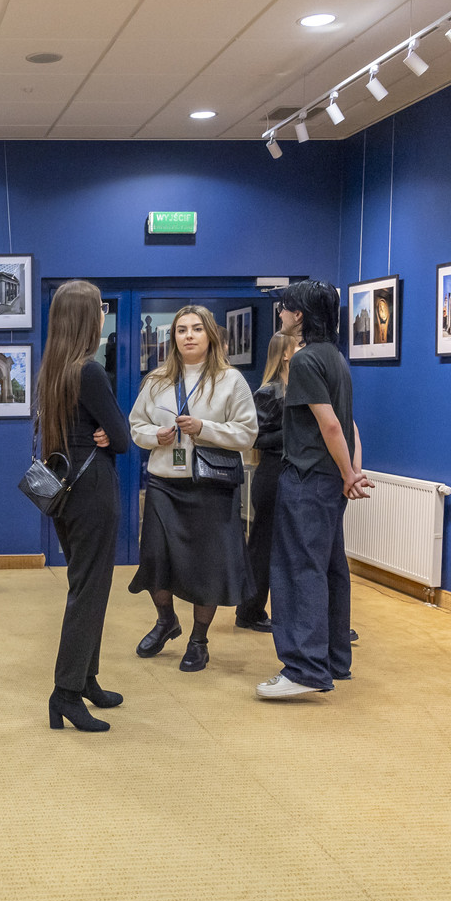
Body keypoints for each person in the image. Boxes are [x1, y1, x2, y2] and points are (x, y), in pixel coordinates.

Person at [258, 280, 374, 700]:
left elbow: (330, 425)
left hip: (308, 479)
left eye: (285, 308)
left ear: (300, 315)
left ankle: (305, 669)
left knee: (299, 570)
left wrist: (349, 474)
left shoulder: (306, 360)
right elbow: (349, 425)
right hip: (328, 481)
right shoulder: (335, 358)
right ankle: (334, 659)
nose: (281, 314)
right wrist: (350, 471)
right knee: (330, 568)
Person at [128, 305, 259, 672]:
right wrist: (155, 435)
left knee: (207, 568)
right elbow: (136, 425)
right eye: (181, 329)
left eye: (197, 329)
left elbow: (248, 433)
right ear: (173, 337)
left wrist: (204, 428)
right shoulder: (156, 380)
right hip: (164, 485)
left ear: (210, 335)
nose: (188, 335)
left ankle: (199, 640)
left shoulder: (231, 380)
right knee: (155, 560)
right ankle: (166, 620)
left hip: (210, 487)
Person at [36, 281, 129, 732]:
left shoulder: (52, 370)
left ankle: (86, 679)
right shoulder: (89, 372)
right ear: (88, 319)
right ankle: (66, 693)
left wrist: (107, 432)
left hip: (64, 490)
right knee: (89, 592)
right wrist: (110, 433)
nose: (103, 315)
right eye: (99, 309)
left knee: (86, 586)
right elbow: (123, 439)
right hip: (92, 489)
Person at [235, 331, 299, 632]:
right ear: (285, 354)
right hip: (272, 474)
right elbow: (254, 438)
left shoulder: (299, 389)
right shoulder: (268, 393)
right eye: (298, 345)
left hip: (292, 473)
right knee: (263, 546)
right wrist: (294, 434)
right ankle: (249, 610)